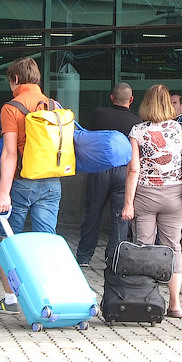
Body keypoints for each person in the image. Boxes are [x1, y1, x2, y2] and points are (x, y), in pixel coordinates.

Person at [122, 84, 182, 319]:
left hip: (145, 195)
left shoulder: (137, 131)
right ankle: (175, 304)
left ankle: (146, 301)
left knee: (144, 248)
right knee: (173, 247)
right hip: (175, 196)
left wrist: (128, 203)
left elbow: (133, 170)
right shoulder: (181, 129)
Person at [0, 57, 62, 314]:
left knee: (8, 242)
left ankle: (11, 300)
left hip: (22, 183)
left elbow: (10, 153)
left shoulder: (11, 108)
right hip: (52, 182)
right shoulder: (54, 105)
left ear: (15, 79)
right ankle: (48, 297)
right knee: (46, 241)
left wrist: (3, 194)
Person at [76, 82, 140, 267]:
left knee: (93, 213)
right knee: (120, 216)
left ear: (112, 98)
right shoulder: (136, 122)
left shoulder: (99, 114)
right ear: (131, 99)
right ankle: (114, 258)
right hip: (124, 170)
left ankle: (84, 257)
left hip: (99, 168)